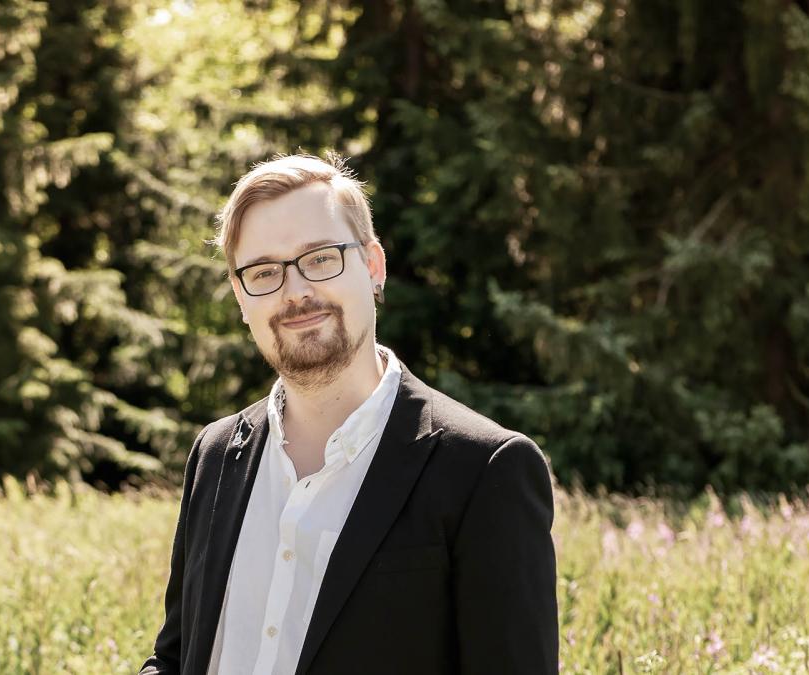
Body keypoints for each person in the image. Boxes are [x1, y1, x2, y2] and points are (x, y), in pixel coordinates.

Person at [140, 153, 558, 675]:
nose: (296, 292)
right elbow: (176, 659)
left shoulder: (484, 470)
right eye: (265, 271)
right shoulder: (216, 454)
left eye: (319, 258)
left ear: (373, 266)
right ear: (240, 297)